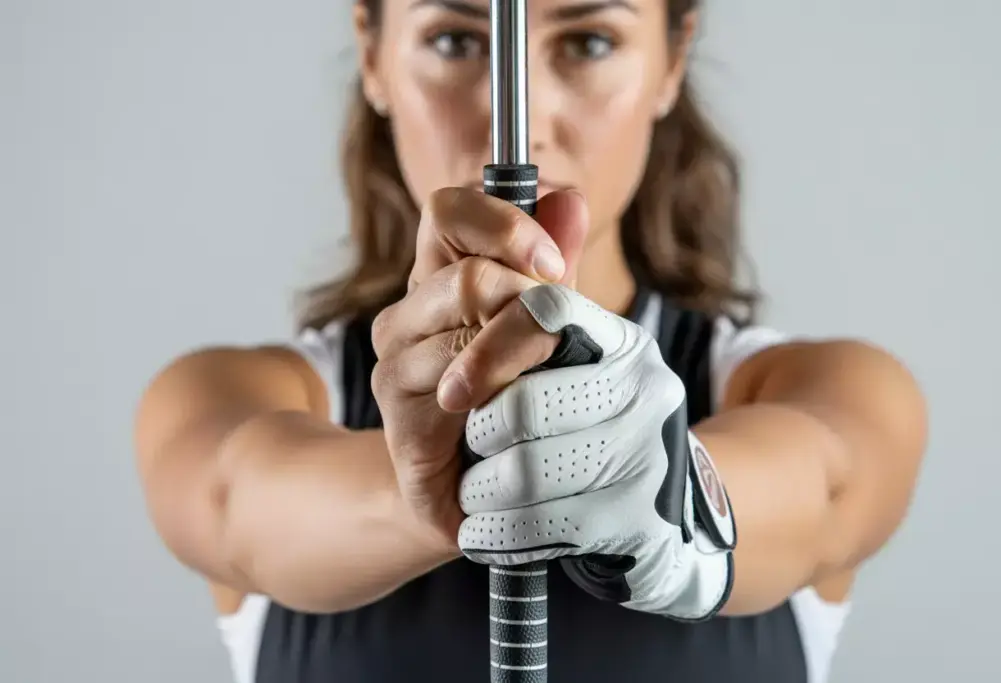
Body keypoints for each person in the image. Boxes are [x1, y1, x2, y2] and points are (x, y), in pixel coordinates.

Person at [133, 0, 929, 682]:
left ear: (672, 60)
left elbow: (821, 483)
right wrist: (433, 488)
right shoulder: (227, 395)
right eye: (452, 40)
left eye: (588, 42)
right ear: (373, 54)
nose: (524, 112)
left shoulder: (831, 386)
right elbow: (237, 502)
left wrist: (672, 497)